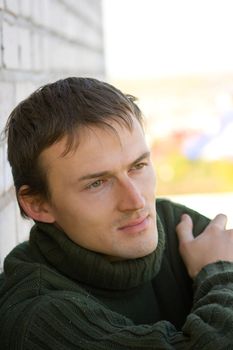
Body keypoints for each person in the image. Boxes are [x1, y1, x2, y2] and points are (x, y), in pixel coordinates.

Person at [0, 77, 233, 350]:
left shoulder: (172, 225)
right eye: (97, 183)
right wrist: (220, 274)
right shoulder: (37, 317)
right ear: (38, 204)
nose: (136, 201)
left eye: (138, 166)